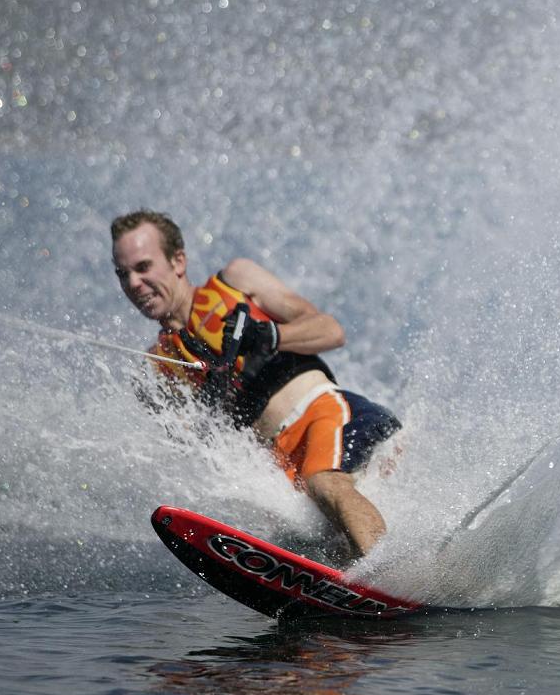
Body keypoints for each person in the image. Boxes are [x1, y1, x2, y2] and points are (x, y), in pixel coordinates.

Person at [110, 209, 398, 562]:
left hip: (325, 414)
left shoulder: (235, 282)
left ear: (178, 261)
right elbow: (201, 451)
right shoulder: (158, 368)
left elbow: (331, 331)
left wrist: (271, 335)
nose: (134, 283)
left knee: (324, 482)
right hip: (284, 466)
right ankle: (370, 583)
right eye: (123, 274)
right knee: (320, 541)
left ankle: (389, 576)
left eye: (143, 267)